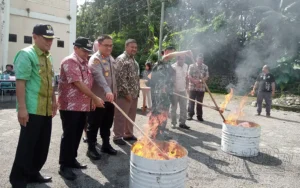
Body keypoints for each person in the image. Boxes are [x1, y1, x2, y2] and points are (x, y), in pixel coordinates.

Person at [9, 24, 58, 188]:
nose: (49, 42)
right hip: (31, 108)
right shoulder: (26, 54)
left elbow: (50, 81)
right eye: (46, 38)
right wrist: (22, 108)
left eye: (51, 39)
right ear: (35, 37)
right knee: (27, 145)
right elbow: (21, 83)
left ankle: (33, 172)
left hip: (45, 108)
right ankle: (17, 179)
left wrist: (54, 101)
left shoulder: (48, 56)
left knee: (42, 145)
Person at [57, 37, 105, 181]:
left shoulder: (84, 63)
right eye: (84, 51)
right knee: (69, 135)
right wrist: (95, 98)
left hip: (82, 106)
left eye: (88, 51)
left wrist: (91, 101)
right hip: (70, 106)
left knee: (77, 134)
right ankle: (64, 166)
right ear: (76, 48)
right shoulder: (70, 61)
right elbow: (78, 84)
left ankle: (72, 160)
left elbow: (88, 83)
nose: (86, 54)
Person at [148, 47, 193, 139]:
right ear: (166, 52)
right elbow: (168, 56)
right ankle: (153, 131)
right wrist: (184, 51)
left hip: (166, 94)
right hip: (158, 93)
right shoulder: (161, 61)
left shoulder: (168, 65)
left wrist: (171, 89)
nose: (173, 54)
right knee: (157, 112)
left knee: (164, 112)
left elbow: (170, 79)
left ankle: (161, 131)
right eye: (172, 52)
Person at [86, 35, 118, 160]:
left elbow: (114, 78)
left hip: (110, 98)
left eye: (111, 45)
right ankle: (91, 148)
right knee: (93, 124)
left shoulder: (111, 59)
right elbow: (99, 77)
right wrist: (108, 91)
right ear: (99, 45)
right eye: (106, 45)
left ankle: (105, 144)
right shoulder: (95, 60)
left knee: (107, 123)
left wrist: (114, 92)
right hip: (98, 99)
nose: (109, 48)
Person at [113, 39, 140, 145]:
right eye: (132, 47)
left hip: (134, 94)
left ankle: (128, 134)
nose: (134, 49)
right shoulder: (121, 59)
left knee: (131, 115)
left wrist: (136, 92)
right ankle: (118, 136)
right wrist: (126, 93)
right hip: (124, 95)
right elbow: (120, 78)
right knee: (120, 116)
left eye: (135, 47)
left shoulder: (134, 60)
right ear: (126, 47)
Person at [187, 53, 209, 122]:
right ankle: (190, 115)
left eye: (201, 59)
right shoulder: (191, 66)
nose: (200, 60)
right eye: (199, 59)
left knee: (200, 102)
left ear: (203, 60)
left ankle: (199, 116)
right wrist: (195, 82)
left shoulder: (205, 67)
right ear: (196, 59)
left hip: (201, 87)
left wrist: (199, 82)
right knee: (191, 102)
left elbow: (207, 76)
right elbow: (188, 75)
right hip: (192, 87)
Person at [171, 56, 190, 129]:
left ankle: (182, 123)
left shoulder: (186, 66)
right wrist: (175, 88)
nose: (182, 61)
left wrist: (187, 86)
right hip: (175, 91)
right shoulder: (173, 66)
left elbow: (186, 77)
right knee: (174, 108)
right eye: (181, 59)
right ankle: (173, 123)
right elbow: (172, 79)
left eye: (183, 59)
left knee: (184, 107)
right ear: (177, 59)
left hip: (183, 90)